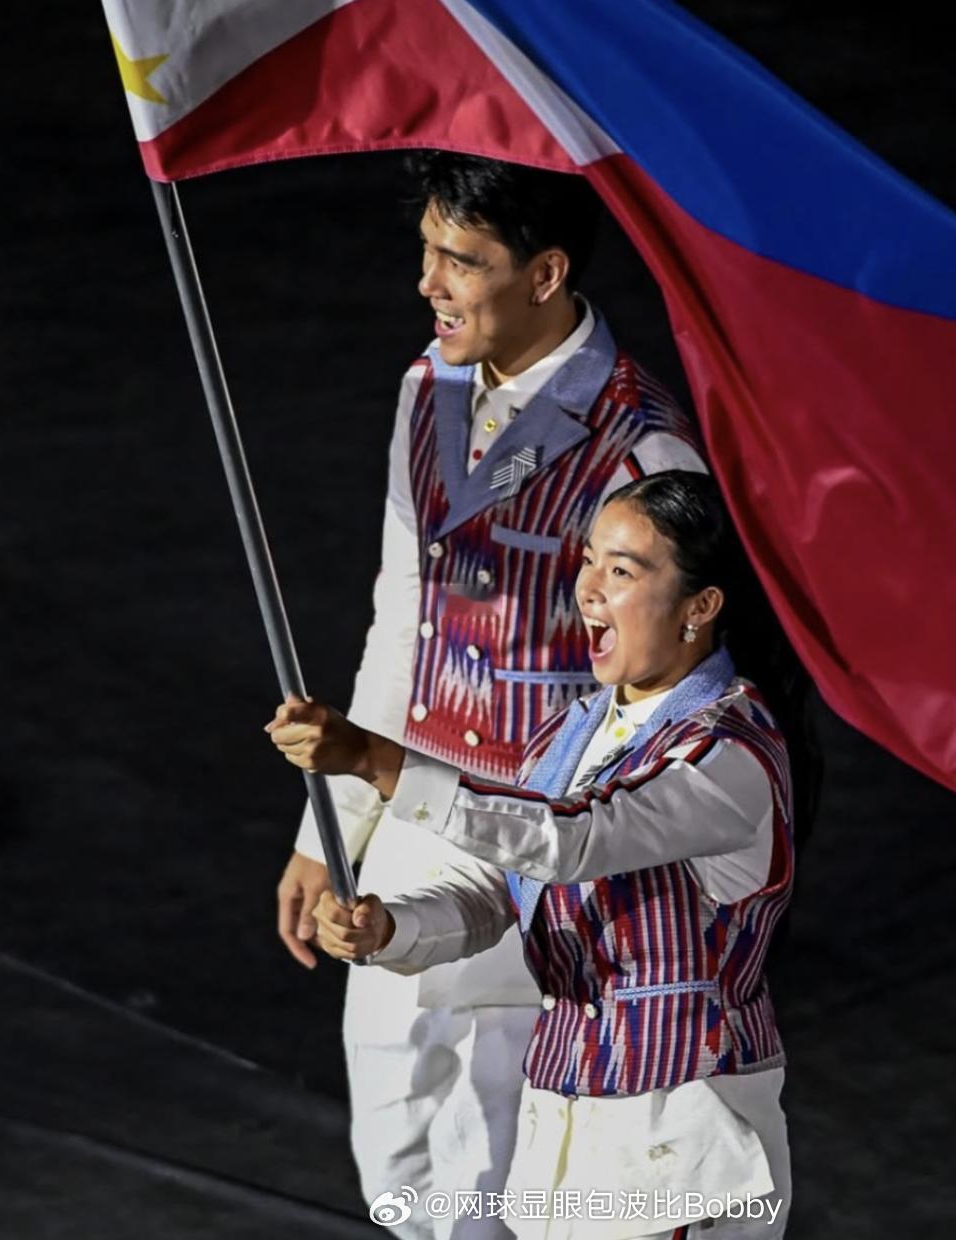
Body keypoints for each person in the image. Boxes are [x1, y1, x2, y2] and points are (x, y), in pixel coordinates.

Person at [276, 153, 707, 1236]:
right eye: (427, 249)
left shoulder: (640, 451)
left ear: (547, 272)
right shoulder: (430, 388)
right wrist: (329, 830)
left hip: (534, 843)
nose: (428, 281)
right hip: (410, 803)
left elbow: (661, 702)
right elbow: (401, 614)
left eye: (460, 259)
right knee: (400, 1148)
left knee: (500, 1170)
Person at [269, 471, 816, 1239]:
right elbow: (497, 890)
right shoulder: (577, 731)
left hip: (679, 1154)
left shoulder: (729, 753)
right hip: (567, 1142)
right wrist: (392, 928)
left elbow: (573, 837)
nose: (588, 590)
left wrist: (378, 762)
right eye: (589, 560)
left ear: (701, 606)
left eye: (622, 571)